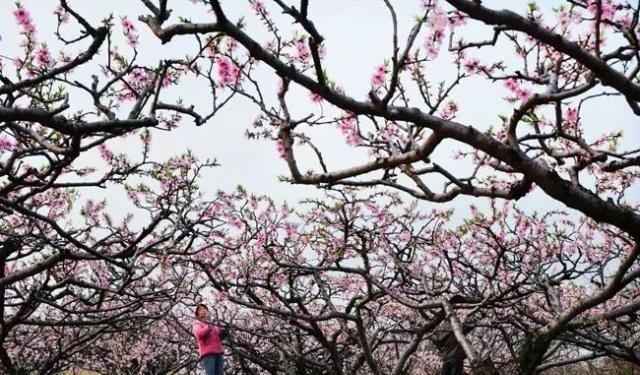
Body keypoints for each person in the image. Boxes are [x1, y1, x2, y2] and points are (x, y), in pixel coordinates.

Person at [192, 304, 226, 375]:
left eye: (204, 309)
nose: (203, 310)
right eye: (200, 310)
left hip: (219, 352)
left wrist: (225, 332)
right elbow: (199, 334)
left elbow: (220, 336)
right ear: (197, 314)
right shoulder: (197, 324)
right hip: (208, 354)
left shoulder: (214, 323)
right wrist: (209, 327)